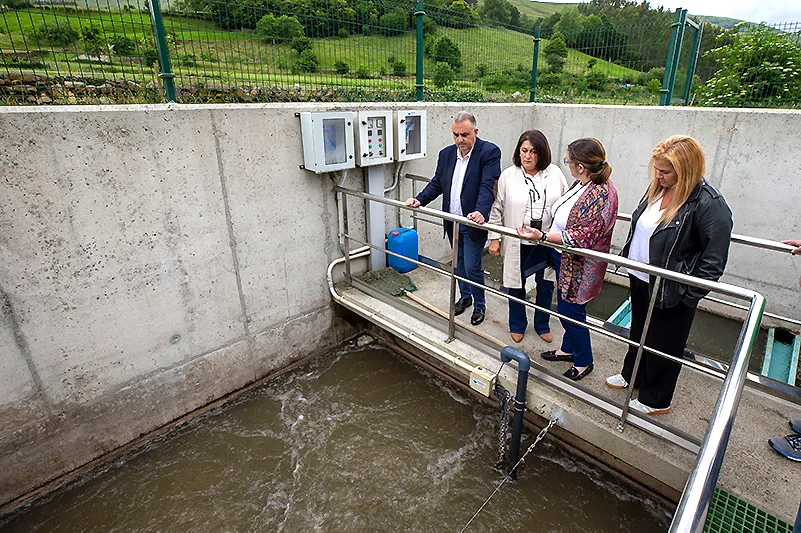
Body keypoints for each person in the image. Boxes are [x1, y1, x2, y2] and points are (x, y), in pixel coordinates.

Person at [604, 135, 733, 415]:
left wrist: (688, 294)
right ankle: (633, 375)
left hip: (673, 286)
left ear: (685, 170)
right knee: (639, 330)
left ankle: (657, 399)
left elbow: (714, 259)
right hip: (641, 276)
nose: (659, 176)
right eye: (657, 170)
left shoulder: (708, 203)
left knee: (665, 342)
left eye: (665, 171)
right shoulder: (658, 188)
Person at [517, 138, 618, 381]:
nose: (568, 165)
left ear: (580, 166)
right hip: (563, 257)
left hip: (580, 265)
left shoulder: (601, 194)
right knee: (568, 307)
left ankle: (584, 361)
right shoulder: (583, 183)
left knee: (571, 312)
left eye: (569, 161)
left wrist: (542, 235)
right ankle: (567, 350)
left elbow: (583, 236)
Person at [406, 111, 502, 326]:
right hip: (453, 221)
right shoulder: (447, 154)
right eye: (456, 135)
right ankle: (465, 297)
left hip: (472, 222)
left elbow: (488, 186)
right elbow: (437, 183)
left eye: (465, 135)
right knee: (458, 263)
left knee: (472, 266)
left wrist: (480, 212)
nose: (460, 140)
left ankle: (479, 305)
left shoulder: (489, 152)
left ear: (475, 132)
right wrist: (419, 200)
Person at [487, 129, 568, 344]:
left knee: (546, 285)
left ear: (542, 153)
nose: (528, 156)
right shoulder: (509, 175)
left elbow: (565, 206)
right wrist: (494, 237)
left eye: (533, 152)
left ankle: (542, 324)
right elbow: (497, 209)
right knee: (516, 283)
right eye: (524, 151)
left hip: (546, 238)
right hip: (518, 239)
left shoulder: (555, 173)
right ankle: (517, 324)